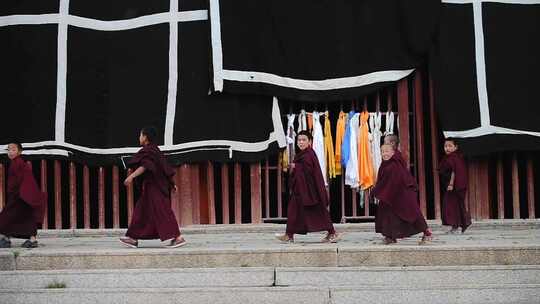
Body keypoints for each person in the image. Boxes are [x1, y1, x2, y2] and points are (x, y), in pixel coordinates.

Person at [119, 127, 186, 248]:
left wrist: (131, 177)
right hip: (155, 187)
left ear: (145, 137)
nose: (139, 138)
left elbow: (146, 166)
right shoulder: (155, 150)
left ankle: (178, 237)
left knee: (161, 211)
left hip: (154, 187)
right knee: (144, 211)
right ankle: (133, 238)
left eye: (140, 135)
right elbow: (163, 169)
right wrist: (172, 183)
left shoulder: (150, 150)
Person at [275, 130, 340, 243]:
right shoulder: (303, 154)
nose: (301, 142)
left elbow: (309, 172)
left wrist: (296, 167)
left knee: (319, 212)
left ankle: (332, 233)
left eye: (304, 140)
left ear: (309, 141)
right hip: (301, 190)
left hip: (310, 191)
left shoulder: (309, 154)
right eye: (299, 140)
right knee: (293, 211)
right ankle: (289, 235)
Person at [372, 144, 432, 245]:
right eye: (382, 152)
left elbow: (395, 181)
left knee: (412, 214)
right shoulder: (385, 164)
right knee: (387, 214)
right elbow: (382, 181)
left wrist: (380, 192)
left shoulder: (395, 165)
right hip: (391, 195)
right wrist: (378, 190)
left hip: (403, 194)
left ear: (393, 152)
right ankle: (390, 237)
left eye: (387, 151)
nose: (384, 154)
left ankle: (427, 233)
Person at [0, 143, 46, 248]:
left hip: (21, 196)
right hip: (18, 196)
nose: (10, 152)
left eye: (13, 150)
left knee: (6, 216)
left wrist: (24, 194)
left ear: (19, 152)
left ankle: (7, 239)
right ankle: (30, 240)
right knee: (25, 217)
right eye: (9, 150)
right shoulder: (14, 163)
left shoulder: (19, 163)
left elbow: (25, 180)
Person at [439, 138, 471, 233]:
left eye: (450, 146)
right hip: (454, 186)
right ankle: (462, 224)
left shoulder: (455, 157)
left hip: (454, 186)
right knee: (456, 206)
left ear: (455, 147)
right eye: (445, 146)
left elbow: (454, 171)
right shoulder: (449, 157)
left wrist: (451, 184)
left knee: (450, 206)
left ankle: (456, 226)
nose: (447, 148)